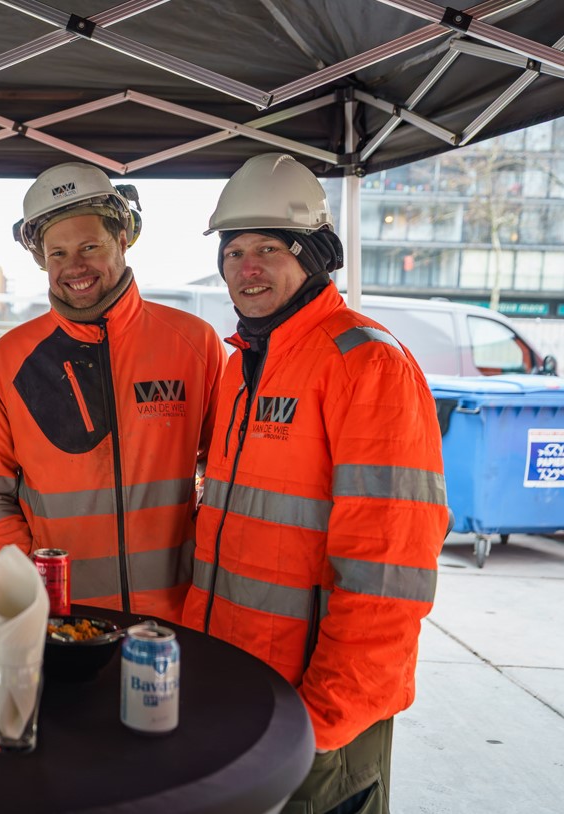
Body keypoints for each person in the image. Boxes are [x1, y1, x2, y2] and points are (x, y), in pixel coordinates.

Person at [182, 153, 450, 814]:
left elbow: (389, 572)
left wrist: (325, 718)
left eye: (270, 248)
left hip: (317, 712)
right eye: (235, 249)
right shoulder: (242, 367)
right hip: (237, 689)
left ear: (314, 257)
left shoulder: (366, 364)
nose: (247, 267)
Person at [0, 162, 226, 620]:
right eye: (57, 253)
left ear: (122, 241)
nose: (74, 267)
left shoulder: (194, 343)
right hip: (59, 614)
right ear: (41, 259)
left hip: (178, 614)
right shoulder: (9, 359)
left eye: (89, 246)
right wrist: (29, 571)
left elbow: (227, 469)